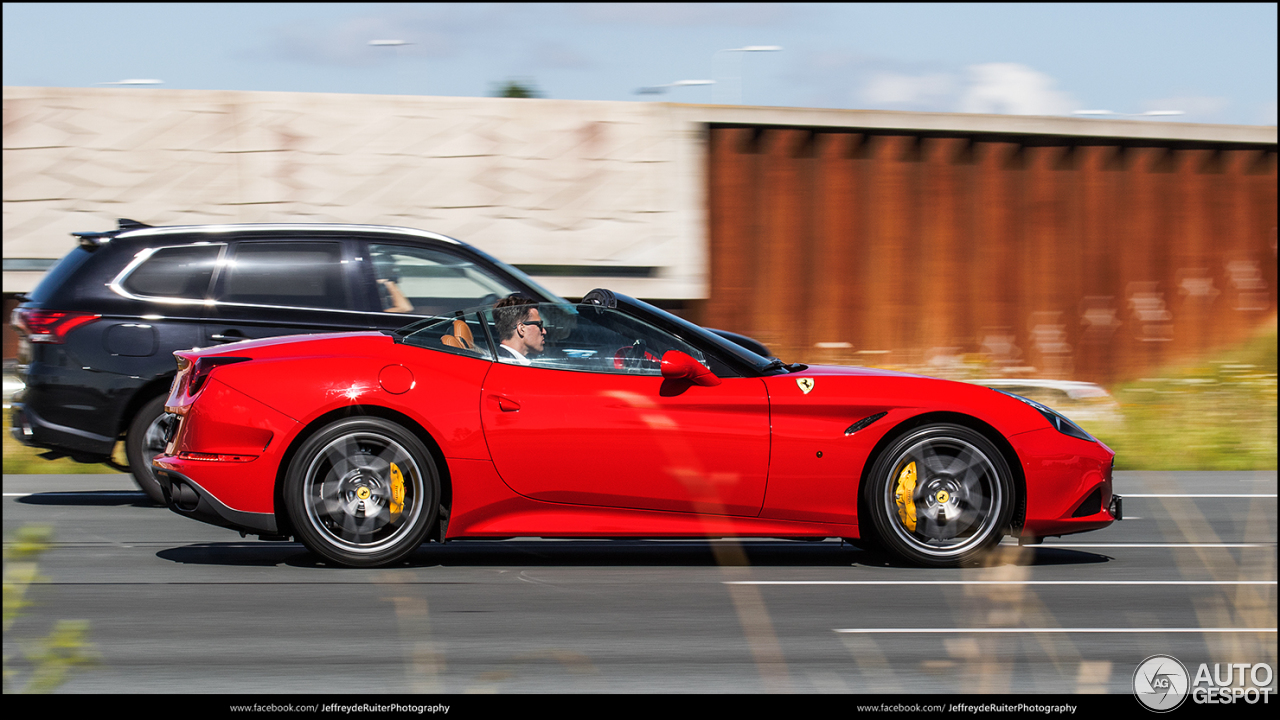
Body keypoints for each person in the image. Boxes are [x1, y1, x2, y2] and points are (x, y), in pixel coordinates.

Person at [493, 294, 546, 365]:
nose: (544, 331)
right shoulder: (506, 366)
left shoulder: (499, 360)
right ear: (521, 329)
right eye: (539, 325)